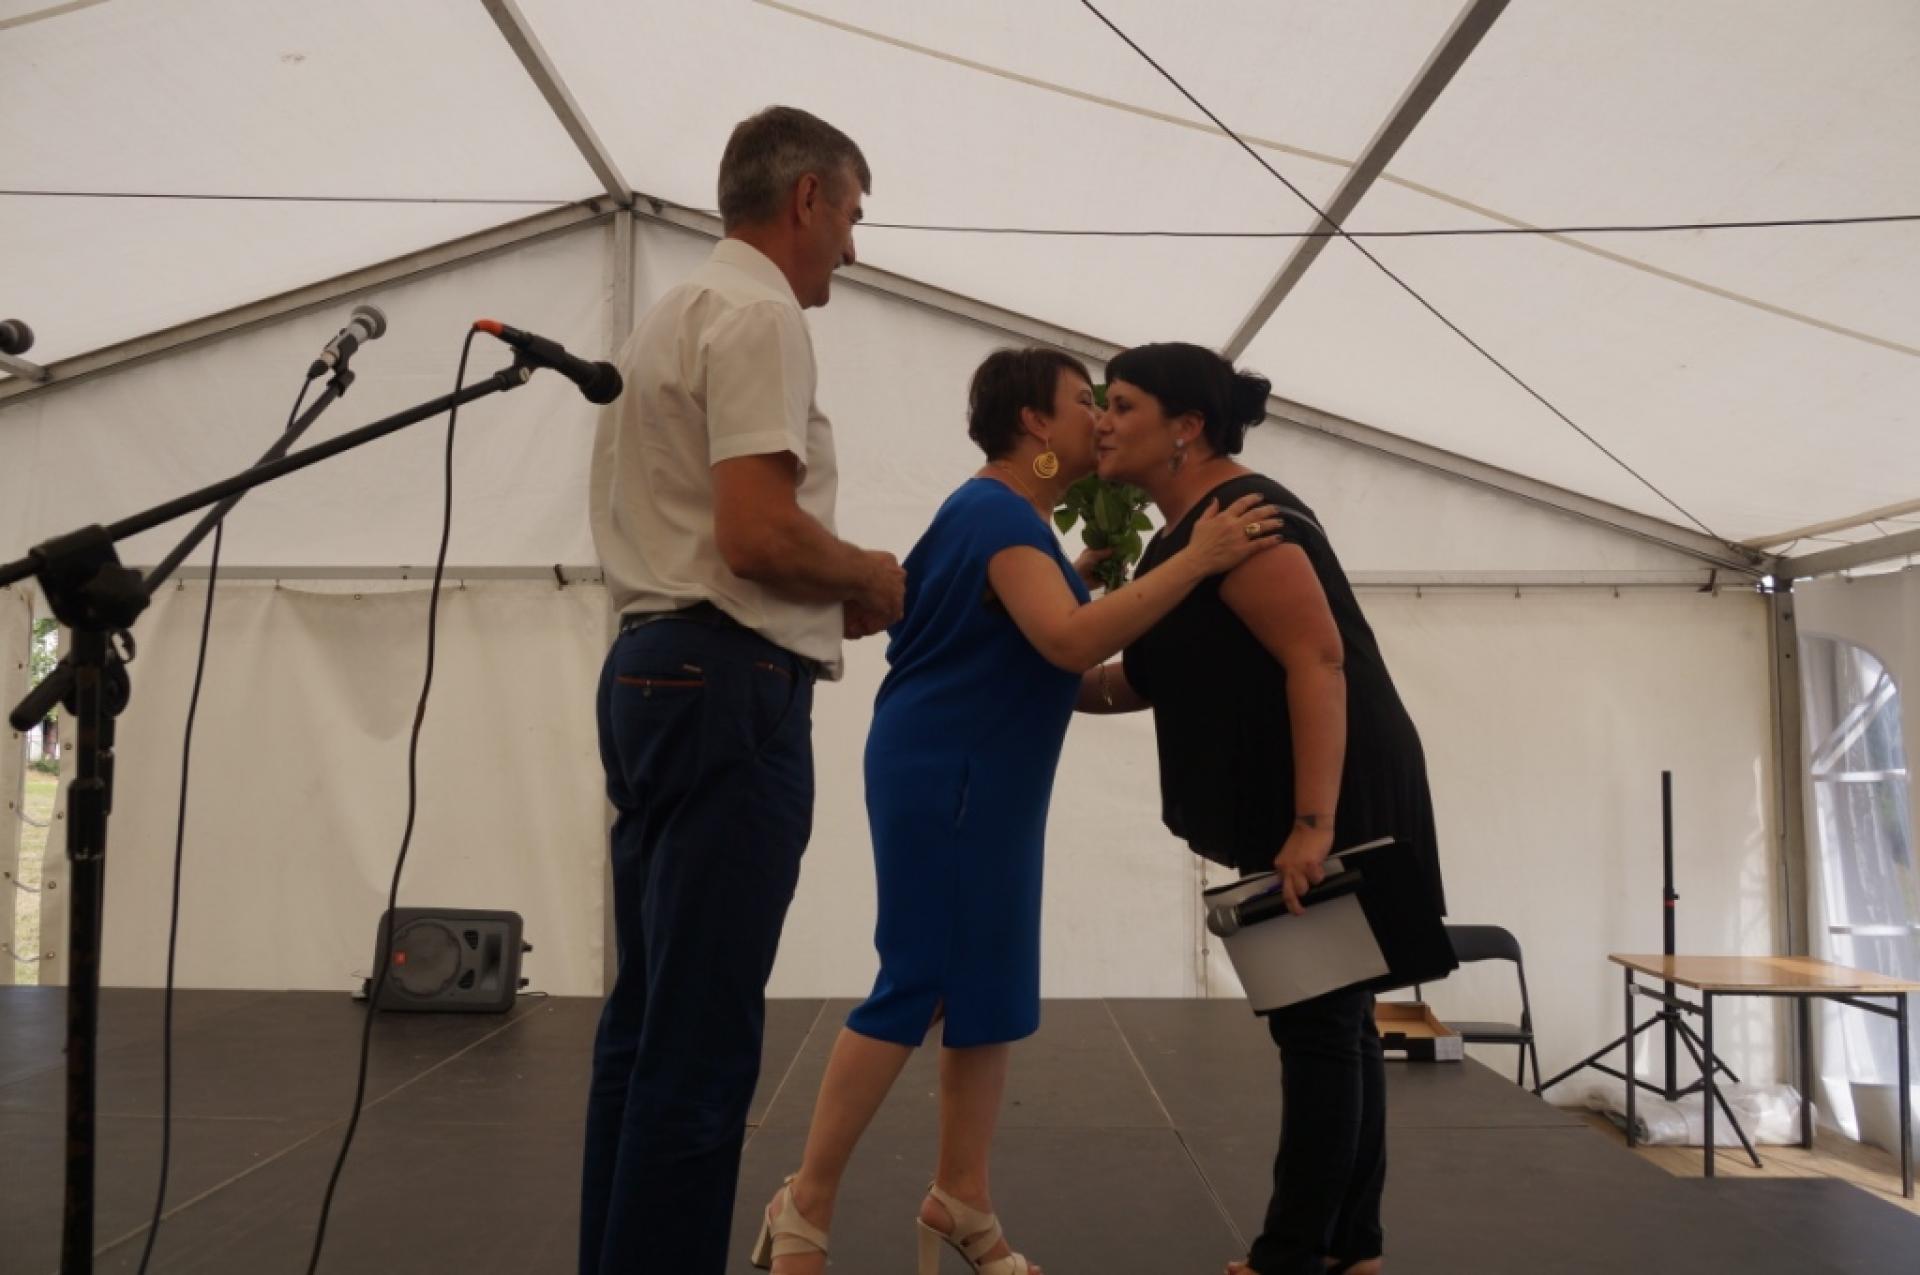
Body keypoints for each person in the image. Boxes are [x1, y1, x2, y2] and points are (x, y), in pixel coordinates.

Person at [752, 348, 1279, 1274]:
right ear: (1034, 422)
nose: (1100, 419)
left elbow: (1020, 650)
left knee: (986, 987)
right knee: (919, 979)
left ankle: (962, 1197)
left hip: (983, 776)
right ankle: (806, 1201)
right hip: (954, 772)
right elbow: (1068, 641)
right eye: (1083, 402)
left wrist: (1093, 588)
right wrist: (1196, 561)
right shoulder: (997, 513)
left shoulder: (1010, 520)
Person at [579, 105, 908, 1275]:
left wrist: (824, 586)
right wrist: (865, 574)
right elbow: (759, 534)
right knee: (704, 1040)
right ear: (807, 198)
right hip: (727, 680)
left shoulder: (671, 312)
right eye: (852, 215)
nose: (853, 249)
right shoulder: (762, 314)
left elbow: (725, 532)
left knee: (646, 1024)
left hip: (652, 666)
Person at [1079, 342, 1447, 1275]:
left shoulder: (1244, 518)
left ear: (1187, 427)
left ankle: (1292, 1254)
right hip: (1305, 793)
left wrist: (1313, 827)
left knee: (1318, 1023)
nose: (1102, 423)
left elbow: (1317, 660)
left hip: (1327, 792)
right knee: (1338, 1019)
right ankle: (1350, 1246)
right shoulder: (1183, 539)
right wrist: (1046, 675)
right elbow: (1144, 680)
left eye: (1122, 405)